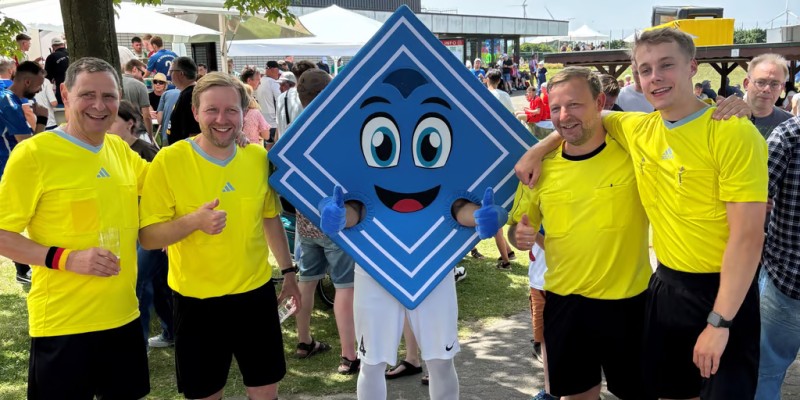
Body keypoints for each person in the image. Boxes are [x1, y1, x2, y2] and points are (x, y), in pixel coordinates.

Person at [516, 28, 767, 399]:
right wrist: (539, 148)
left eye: (667, 65)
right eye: (645, 69)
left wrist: (720, 321)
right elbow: (586, 116)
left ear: (692, 68)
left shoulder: (733, 132)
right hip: (666, 288)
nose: (655, 77)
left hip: (724, 290)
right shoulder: (638, 128)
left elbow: (748, 238)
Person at [138, 71, 299, 400]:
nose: (222, 119)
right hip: (196, 302)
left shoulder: (257, 158)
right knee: (205, 393)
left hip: (254, 296)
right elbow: (148, 237)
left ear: (244, 113)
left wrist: (288, 272)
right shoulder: (170, 160)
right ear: (196, 112)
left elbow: (270, 218)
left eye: (231, 110)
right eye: (212, 110)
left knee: (266, 391)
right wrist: (193, 222)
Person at [0, 56, 150, 399]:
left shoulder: (118, 149)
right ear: (65, 94)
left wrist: (223, 140)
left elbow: (167, 181)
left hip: (123, 317)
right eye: (88, 95)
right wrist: (67, 259)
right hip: (64, 325)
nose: (100, 106)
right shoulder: (34, 154)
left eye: (109, 96)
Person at [510, 67, 652, 400]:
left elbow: (680, 123)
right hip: (566, 306)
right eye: (556, 107)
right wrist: (520, 235)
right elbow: (520, 225)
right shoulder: (540, 168)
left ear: (600, 102)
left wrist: (737, 108)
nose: (563, 116)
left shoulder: (633, 155)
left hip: (629, 305)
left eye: (574, 105)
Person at [319, 181, 507, 400]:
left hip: (433, 265)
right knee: (371, 362)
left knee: (441, 361)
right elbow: (359, 203)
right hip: (375, 265)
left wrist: (479, 214)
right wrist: (340, 213)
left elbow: (453, 203)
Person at [291, 69, 360, 375]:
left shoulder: (296, 128)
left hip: (304, 221)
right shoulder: (338, 128)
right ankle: (349, 354)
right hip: (337, 221)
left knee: (306, 282)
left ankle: (303, 341)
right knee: (345, 286)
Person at [755, 115, 800, 398]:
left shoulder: (789, 133)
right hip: (785, 278)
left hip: (786, 277)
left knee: (766, 371)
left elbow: (754, 197)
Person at [1, 61, 48, 284]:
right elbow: (27, 145)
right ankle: (23, 269)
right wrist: (43, 119)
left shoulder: (8, 98)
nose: (40, 89)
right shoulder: (8, 103)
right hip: (7, 169)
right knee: (10, 224)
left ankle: (22, 268)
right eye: (39, 84)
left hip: (8, 167)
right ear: (27, 81)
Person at [743, 53, 793, 139]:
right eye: (760, 82)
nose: (767, 89)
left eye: (774, 84)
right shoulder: (724, 118)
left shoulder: (791, 125)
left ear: (782, 88)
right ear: (746, 84)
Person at [166, 56, 200, 144]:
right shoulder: (188, 93)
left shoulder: (190, 95)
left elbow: (194, 130)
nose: (169, 75)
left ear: (181, 73)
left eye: (171, 71)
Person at [121, 59, 153, 137]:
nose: (143, 77)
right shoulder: (140, 86)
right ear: (134, 69)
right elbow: (147, 116)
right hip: (136, 131)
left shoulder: (115, 81)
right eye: (142, 73)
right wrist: (150, 136)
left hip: (116, 130)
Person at [256, 60, 281, 144]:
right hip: (273, 119)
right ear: (274, 70)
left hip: (263, 117)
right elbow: (279, 98)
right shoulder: (273, 82)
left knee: (267, 144)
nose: (278, 74)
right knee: (275, 144)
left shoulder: (261, 81)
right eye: (278, 71)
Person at [44, 36, 69, 105]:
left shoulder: (52, 57)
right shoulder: (72, 53)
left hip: (62, 89)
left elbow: (47, 77)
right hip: (77, 89)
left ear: (53, 46)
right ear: (63, 44)